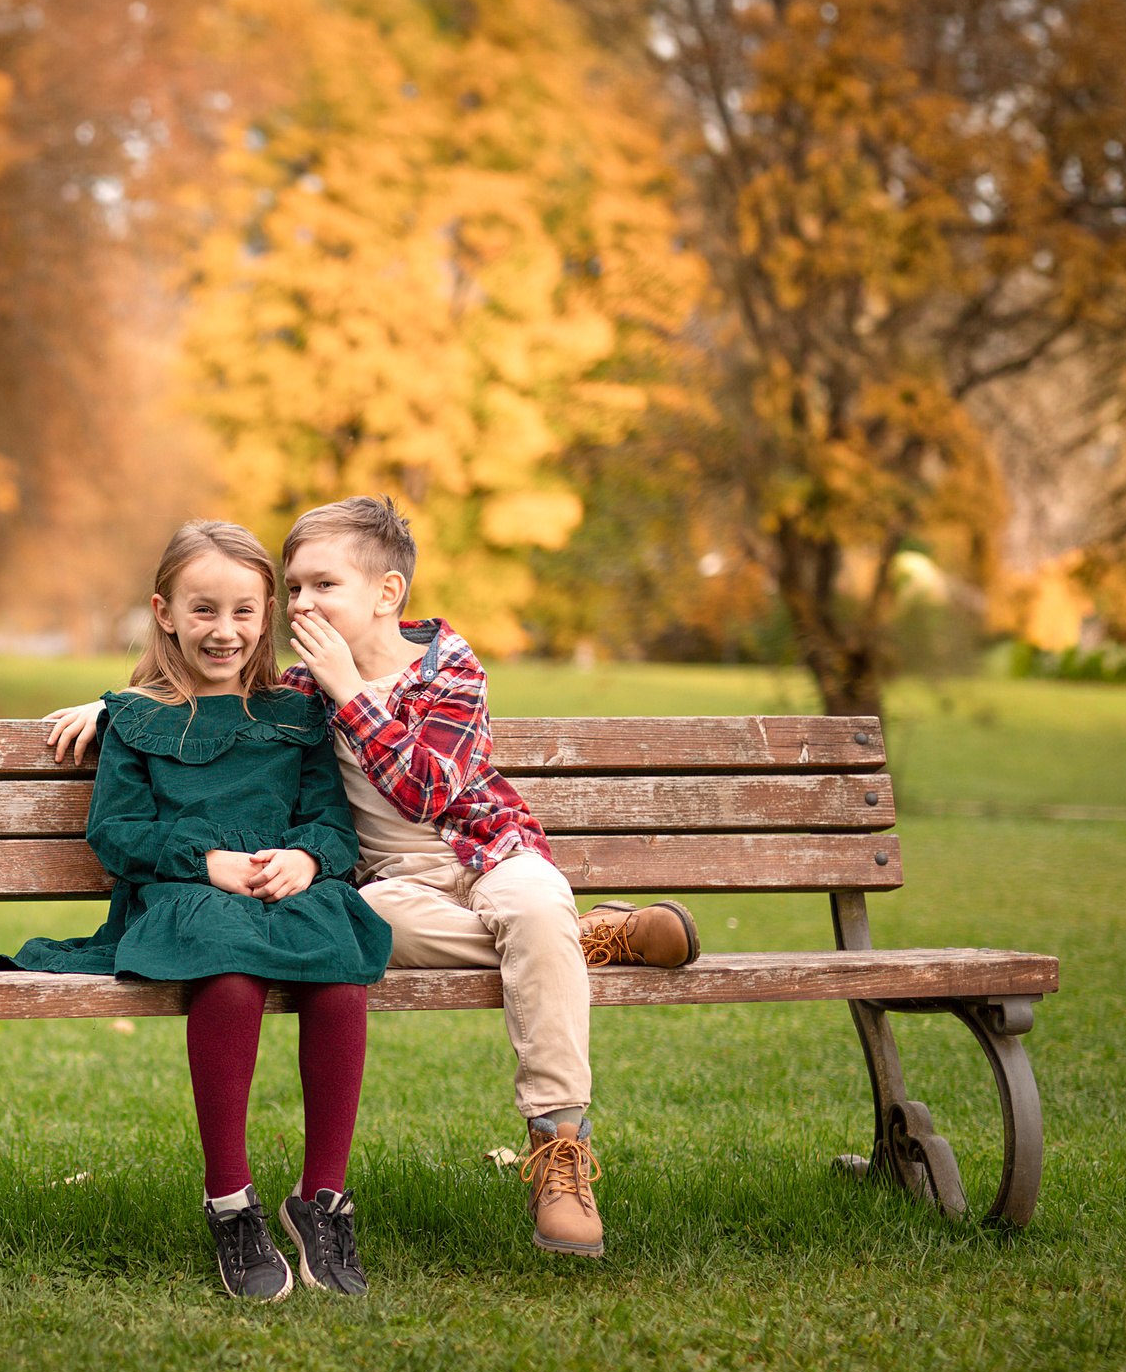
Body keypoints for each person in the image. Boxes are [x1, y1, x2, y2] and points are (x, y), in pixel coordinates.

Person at [46, 498, 699, 1260]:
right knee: (383, 932)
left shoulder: (449, 667)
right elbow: (210, 695)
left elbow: (426, 790)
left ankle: (559, 1145)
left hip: (491, 853)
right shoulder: (304, 688)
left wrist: (352, 692)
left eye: (323, 586)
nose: (302, 606)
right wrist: (114, 707)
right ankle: (580, 942)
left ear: (386, 594)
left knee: (529, 908)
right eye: (293, 590)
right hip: (395, 885)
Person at [0, 520, 392, 1302]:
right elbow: (115, 833)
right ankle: (231, 1203)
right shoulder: (139, 721)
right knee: (229, 974)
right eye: (204, 610)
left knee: (341, 971)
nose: (226, 630)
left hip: (283, 888)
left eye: (245, 612)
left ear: (268, 615)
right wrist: (201, 862)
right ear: (165, 612)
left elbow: (331, 820)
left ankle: (323, 1200)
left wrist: (307, 859)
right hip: (181, 895)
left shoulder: (296, 715)